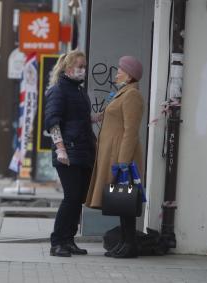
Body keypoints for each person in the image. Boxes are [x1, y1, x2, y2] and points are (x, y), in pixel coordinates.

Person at [85, 56, 144, 258]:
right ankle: (125, 242)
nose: (117, 72)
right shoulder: (122, 93)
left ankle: (130, 244)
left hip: (122, 157)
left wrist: (123, 162)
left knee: (126, 200)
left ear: (129, 75)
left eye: (120, 70)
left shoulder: (132, 96)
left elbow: (131, 131)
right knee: (121, 200)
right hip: (114, 154)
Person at [44, 50, 96, 257]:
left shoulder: (78, 91)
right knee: (71, 197)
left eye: (84, 66)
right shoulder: (59, 90)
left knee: (78, 198)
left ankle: (69, 240)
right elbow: (53, 121)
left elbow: (76, 118)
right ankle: (57, 242)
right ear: (67, 68)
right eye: (79, 66)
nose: (83, 70)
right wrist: (60, 149)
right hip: (69, 152)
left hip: (83, 151)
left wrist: (95, 118)